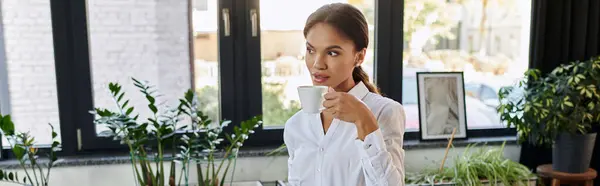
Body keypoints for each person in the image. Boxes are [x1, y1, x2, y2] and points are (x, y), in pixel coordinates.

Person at [283, 3, 406, 186]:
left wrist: (364, 120)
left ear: (359, 57)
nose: (317, 64)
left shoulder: (385, 112)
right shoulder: (296, 126)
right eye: (311, 50)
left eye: (332, 53)